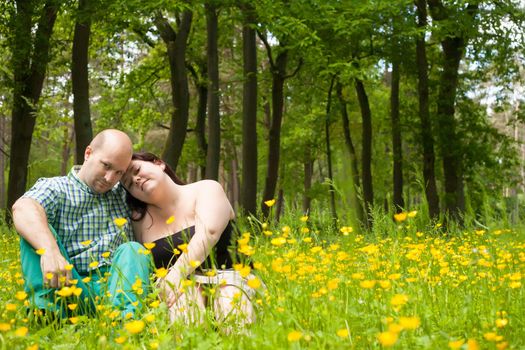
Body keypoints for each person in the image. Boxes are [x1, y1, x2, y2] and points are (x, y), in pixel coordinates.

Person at [11, 129, 151, 318]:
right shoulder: (56, 187)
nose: (110, 178)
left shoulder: (126, 193)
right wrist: (49, 250)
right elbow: (23, 208)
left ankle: (125, 323)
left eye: (119, 172)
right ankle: (46, 314)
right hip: (67, 284)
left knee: (133, 249)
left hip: (113, 288)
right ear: (88, 153)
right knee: (36, 230)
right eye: (106, 165)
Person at [122, 152, 256, 325]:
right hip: (180, 289)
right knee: (188, 323)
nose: (136, 180)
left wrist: (175, 274)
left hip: (230, 276)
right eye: (129, 184)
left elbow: (210, 232)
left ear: (159, 163)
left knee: (232, 317)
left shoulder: (206, 189)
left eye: (137, 170)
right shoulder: (138, 221)